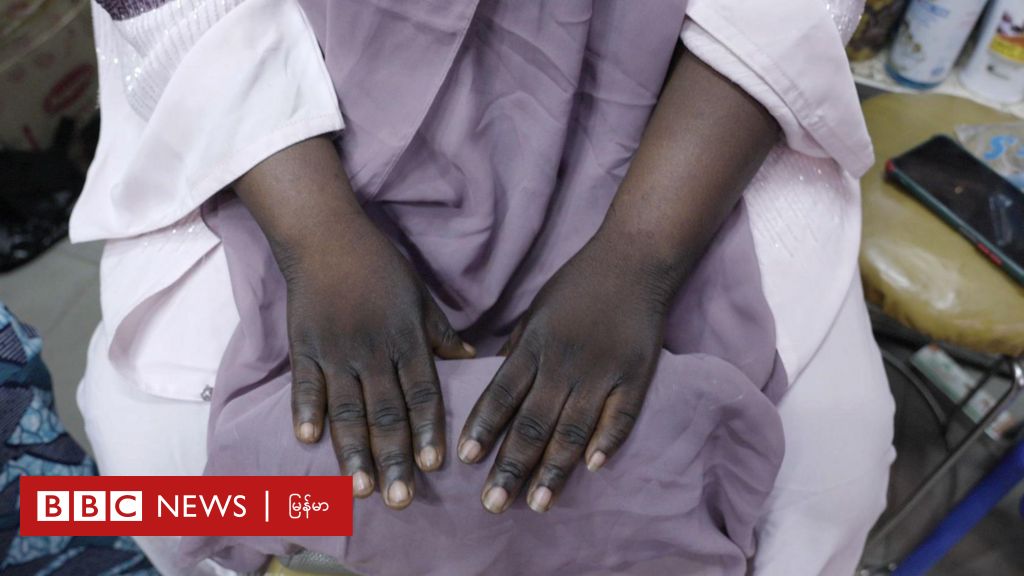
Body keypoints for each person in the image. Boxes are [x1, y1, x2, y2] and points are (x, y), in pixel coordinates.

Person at [72, 0, 896, 574]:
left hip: (673, 110)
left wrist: (638, 257)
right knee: (147, 467)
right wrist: (318, 237)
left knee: (834, 469)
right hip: (283, 117)